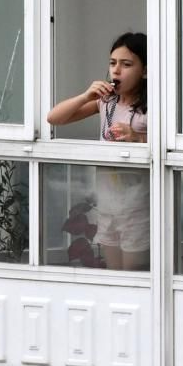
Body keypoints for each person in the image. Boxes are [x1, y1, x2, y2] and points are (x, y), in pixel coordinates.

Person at [47, 32, 149, 271]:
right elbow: (54, 118)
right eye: (113, 63)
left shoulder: (150, 108)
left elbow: (164, 144)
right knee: (115, 275)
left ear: (144, 71)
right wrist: (86, 95)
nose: (116, 71)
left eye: (126, 64)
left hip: (138, 206)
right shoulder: (107, 103)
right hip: (108, 204)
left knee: (134, 275)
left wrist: (137, 137)